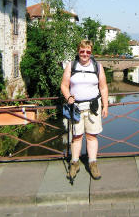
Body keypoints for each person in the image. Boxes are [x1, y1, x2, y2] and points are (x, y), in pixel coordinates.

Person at [61, 40, 108, 180]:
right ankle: (74, 163)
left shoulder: (97, 66)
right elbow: (64, 85)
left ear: (91, 52)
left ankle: (92, 164)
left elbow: (103, 87)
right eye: (82, 51)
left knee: (92, 136)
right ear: (78, 51)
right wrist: (68, 96)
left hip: (93, 107)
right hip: (76, 108)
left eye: (88, 51)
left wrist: (105, 105)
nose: (85, 54)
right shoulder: (71, 65)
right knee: (76, 136)